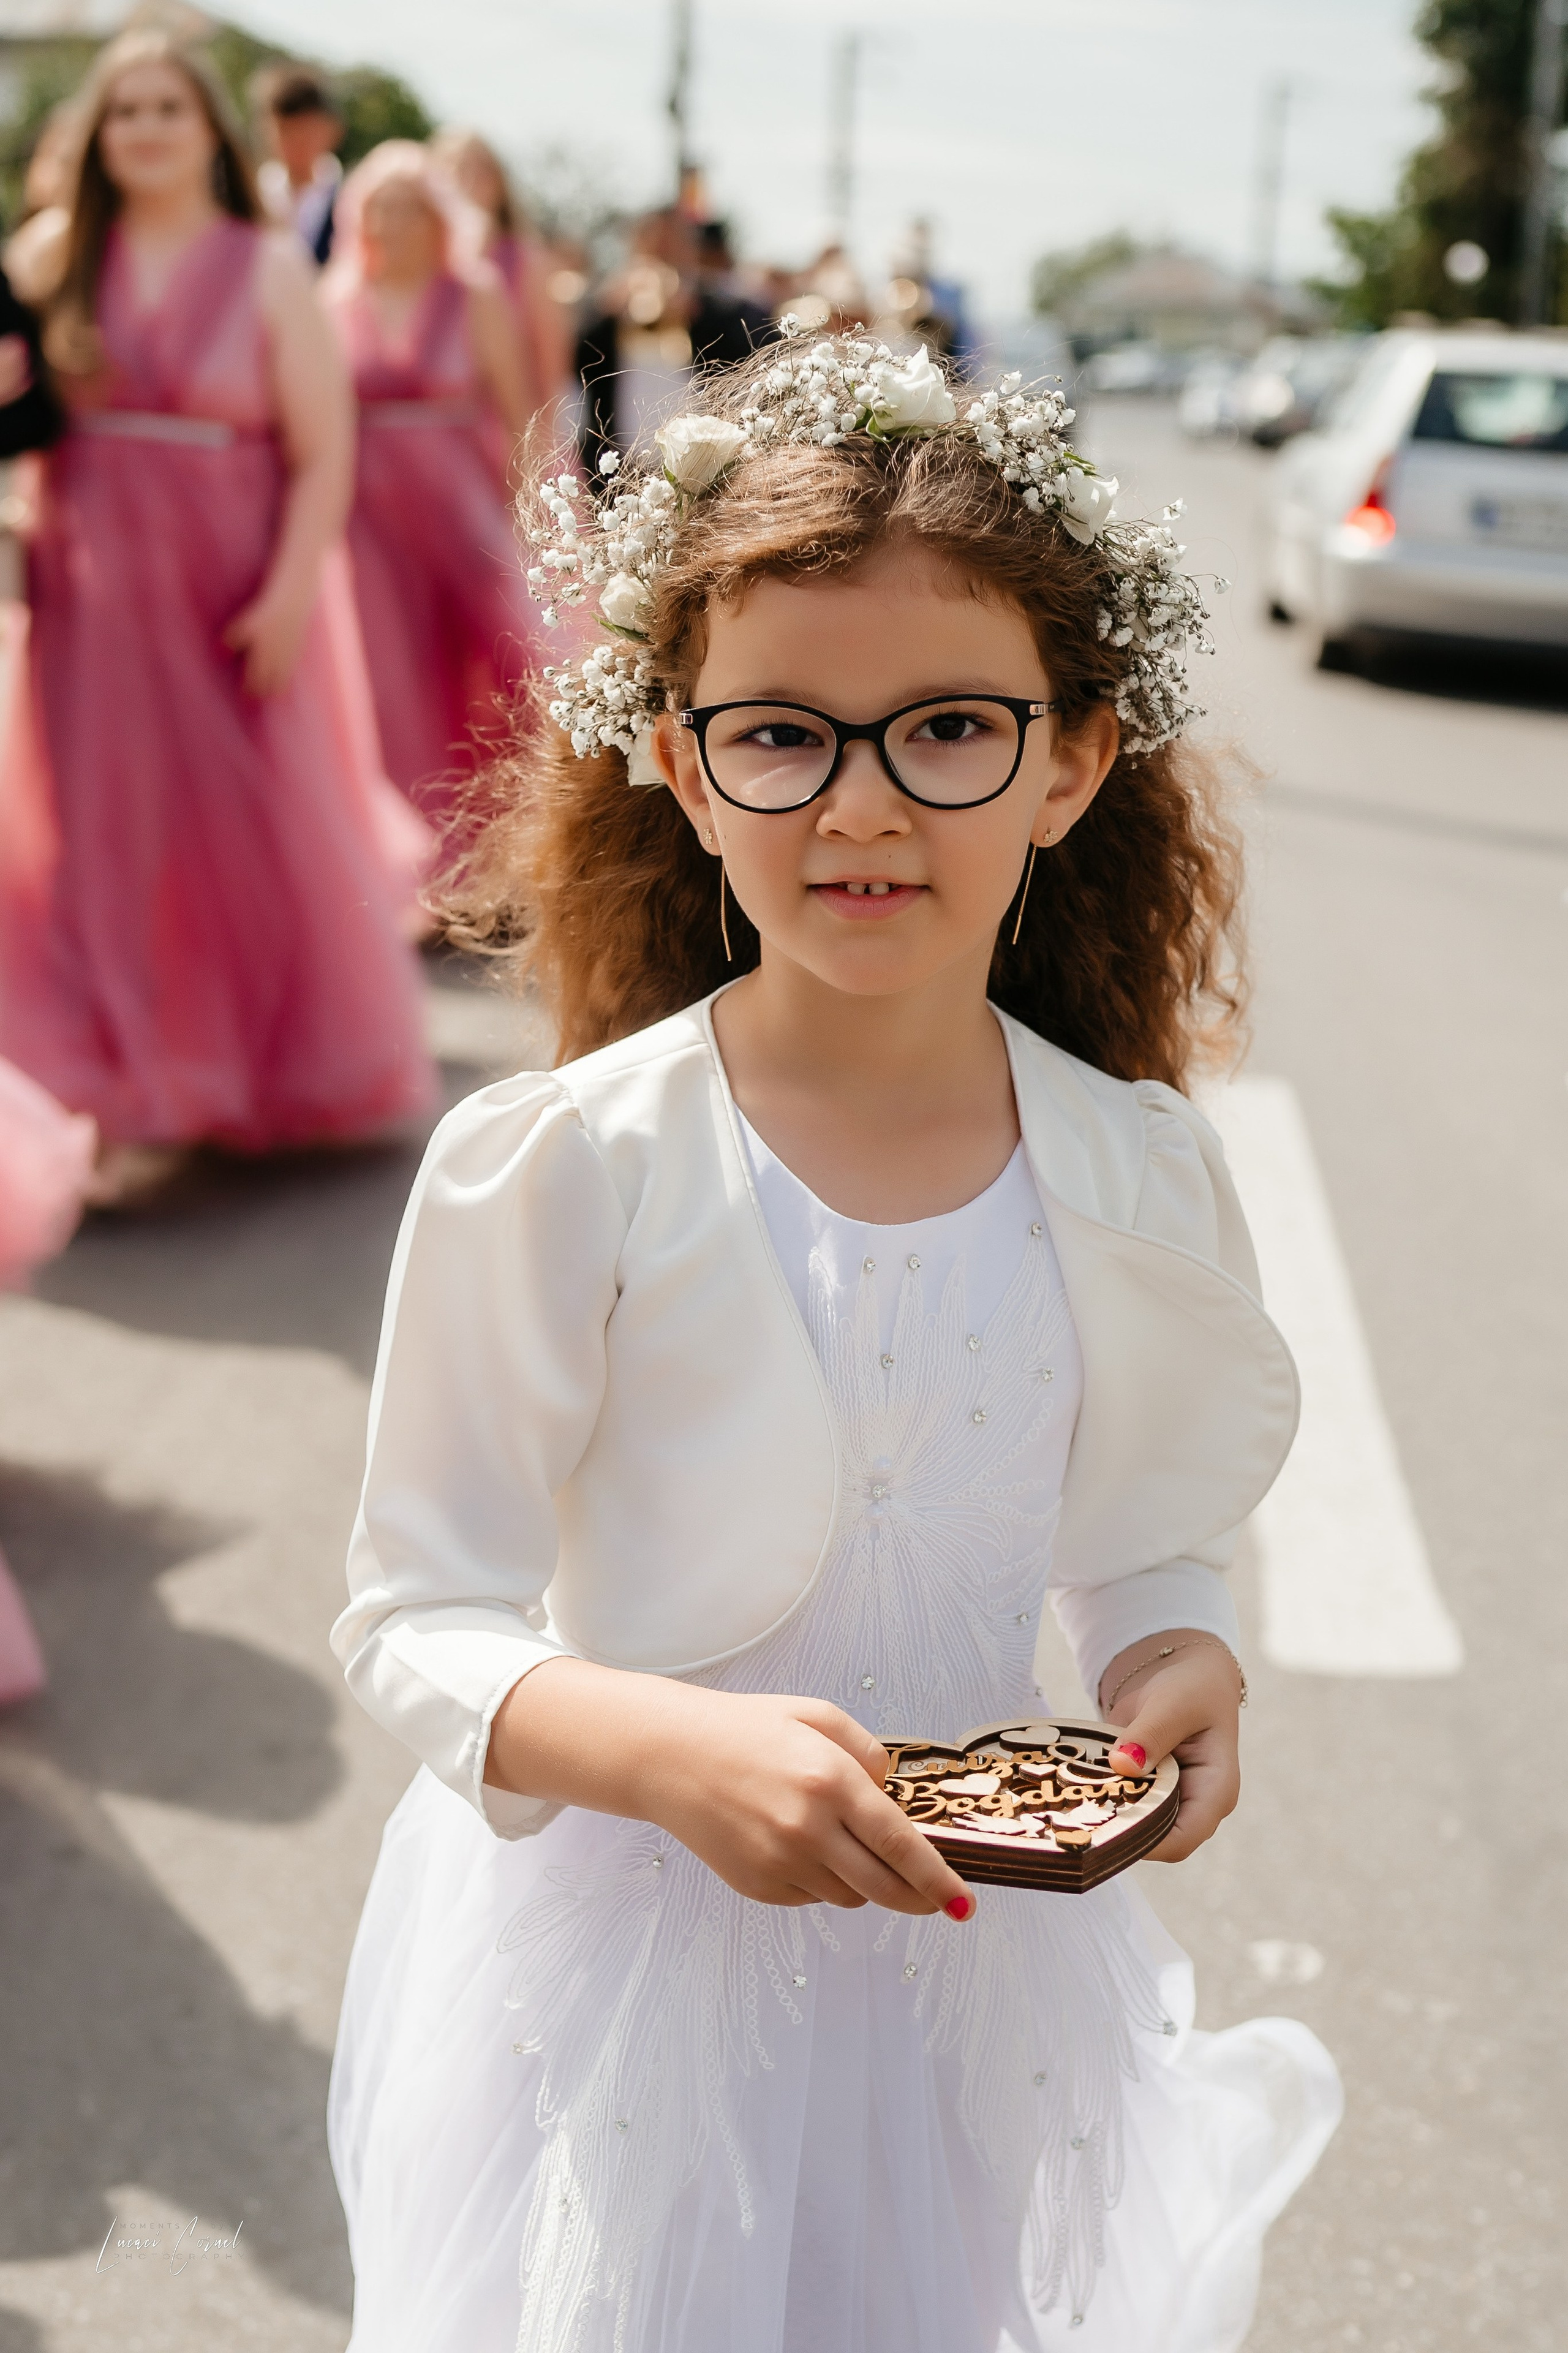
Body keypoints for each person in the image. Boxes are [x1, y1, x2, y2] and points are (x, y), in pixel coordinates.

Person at [327, 337, 1343, 2351]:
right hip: (624, 1973)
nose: (864, 803)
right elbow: (408, 1611)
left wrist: (1172, 1652)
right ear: (687, 765)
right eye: (785, 736)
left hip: (974, 1969)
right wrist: (670, 1747)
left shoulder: (1137, 1161)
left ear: (1067, 759)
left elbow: (1140, 1527)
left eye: (949, 727)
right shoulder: (555, 1167)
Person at [0, 31, 435, 1199]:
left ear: (208, 132)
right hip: (85, 588)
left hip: (229, 584)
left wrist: (293, 586)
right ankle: (117, 1080)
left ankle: (228, 1066)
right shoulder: (53, 255)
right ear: (97, 133)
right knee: (96, 834)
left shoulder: (265, 267)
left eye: (167, 109)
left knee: (236, 839)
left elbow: (322, 449)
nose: (144, 127)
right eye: (124, 109)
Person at [324, 141, 540, 823]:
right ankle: (412, 836)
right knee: (388, 671)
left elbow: (520, 412)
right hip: (365, 518)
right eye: (377, 207)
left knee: (495, 662)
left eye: (407, 207)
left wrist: (529, 510)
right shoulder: (337, 301)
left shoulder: (475, 294)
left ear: (436, 217)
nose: (391, 222)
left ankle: (501, 822)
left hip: (459, 506)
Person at [429, 127, 571, 414]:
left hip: (510, 424)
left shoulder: (527, 261)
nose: (467, 179)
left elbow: (550, 364)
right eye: (454, 168)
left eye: (481, 169)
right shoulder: (426, 266)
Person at [252, 66, 344, 266]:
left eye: (306, 132)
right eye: (285, 131)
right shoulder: (251, 196)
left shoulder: (350, 202)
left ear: (332, 129)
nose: (296, 143)